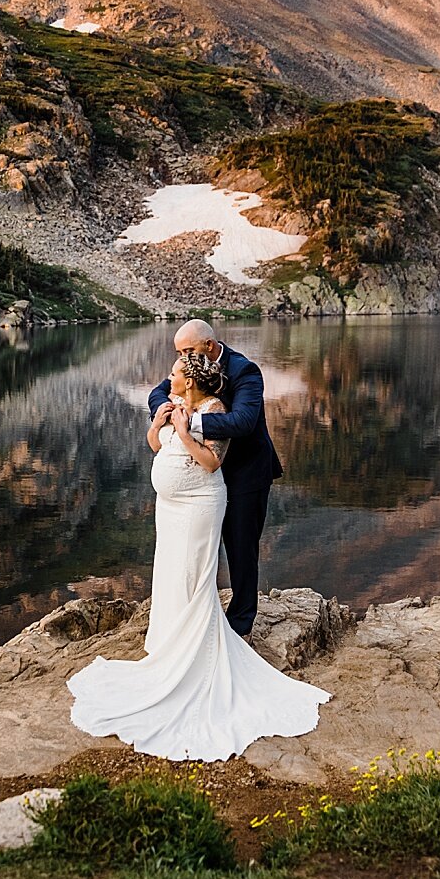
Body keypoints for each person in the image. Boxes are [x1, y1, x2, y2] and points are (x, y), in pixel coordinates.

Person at [67, 347, 328, 760]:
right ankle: (170, 641)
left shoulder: (226, 399)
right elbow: (156, 442)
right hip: (171, 508)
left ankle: (207, 645)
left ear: (190, 376)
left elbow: (211, 460)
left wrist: (186, 431)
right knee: (170, 572)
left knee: (197, 571)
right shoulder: (175, 398)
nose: (166, 376)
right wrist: (160, 421)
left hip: (200, 503)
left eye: (174, 369)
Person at [144, 319, 282, 636]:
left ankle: (241, 623)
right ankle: (198, 617)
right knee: (199, 552)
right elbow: (158, 391)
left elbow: (243, 421)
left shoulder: (244, 371)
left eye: (188, 350)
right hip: (199, 486)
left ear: (209, 345)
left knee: (241, 548)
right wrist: (163, 409)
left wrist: (190, 424)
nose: (182, 358)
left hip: (245, 473)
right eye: (179, 352)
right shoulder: (188, 370)